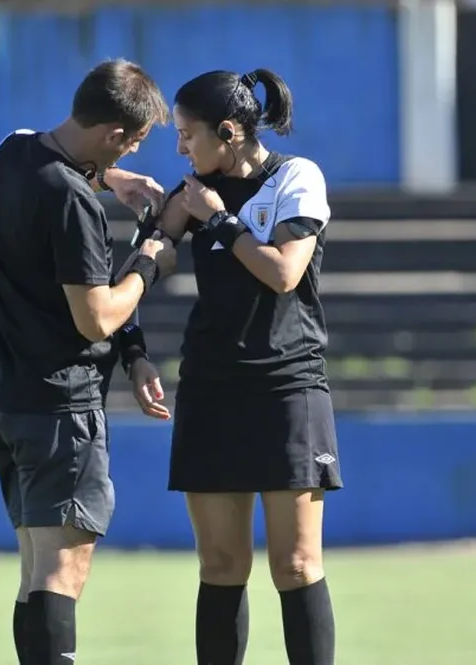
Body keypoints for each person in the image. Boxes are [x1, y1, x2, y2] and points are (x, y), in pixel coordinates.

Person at [0, 58, 177, 665]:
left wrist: (109, 177)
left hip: (7, 400)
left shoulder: (10, 155)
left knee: (36, 570)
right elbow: (97, 317)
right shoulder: (74, 205)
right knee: (62, 573)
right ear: (115, 134)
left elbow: (50, 164)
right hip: (60, 408)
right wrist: (150, 263)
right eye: (133, 142)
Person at [151, 68, 341, 665]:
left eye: (187, 135)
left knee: (295, 564)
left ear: (229, 131)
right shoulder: (191, 191)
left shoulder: (295, 176)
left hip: (288, 386)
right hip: (211, 389)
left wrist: (218, 221)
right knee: (222, 565)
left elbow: (284, 273)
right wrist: (153, 236)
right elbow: (152, 257)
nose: (180, 148)